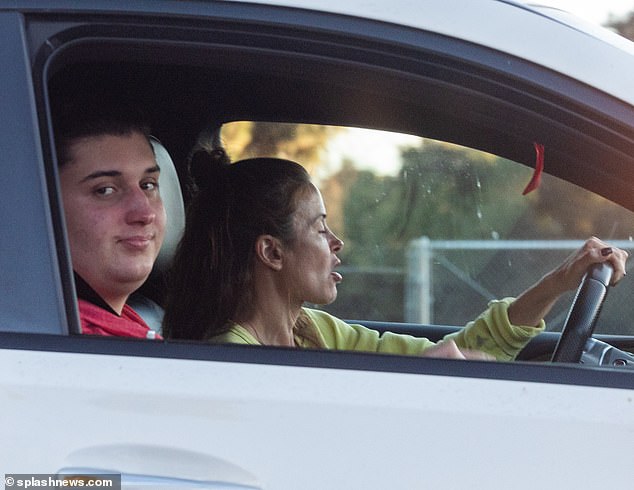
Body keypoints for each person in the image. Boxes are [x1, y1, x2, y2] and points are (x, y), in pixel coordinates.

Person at [163, 151, 628, 360]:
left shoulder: (314, 332)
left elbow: (464, 351)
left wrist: (559, 282)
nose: (337, 242)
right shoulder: (234, 360)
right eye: (320, 227)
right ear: (271, 251)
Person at [55, 108, 166, 338]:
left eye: (148, 185)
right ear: (44, 206)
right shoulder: (81, 347)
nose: (145, 213)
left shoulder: (124, 324)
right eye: (105, 190)